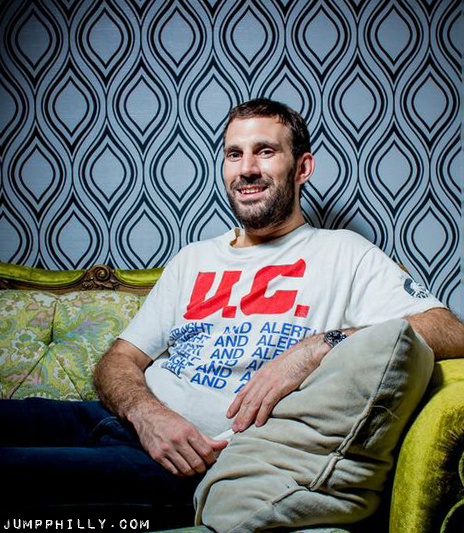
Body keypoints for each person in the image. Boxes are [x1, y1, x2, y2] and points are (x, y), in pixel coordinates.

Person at [1, 99, 463, 528]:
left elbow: (449, 331)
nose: (247, 169)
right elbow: (119, 360)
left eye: (265, 152)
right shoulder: (193, 259)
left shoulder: (344, 253)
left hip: (185, 463)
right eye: (234, 154)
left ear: (302, 168)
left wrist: (317, 347)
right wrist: (147, 415)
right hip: (116, 421)